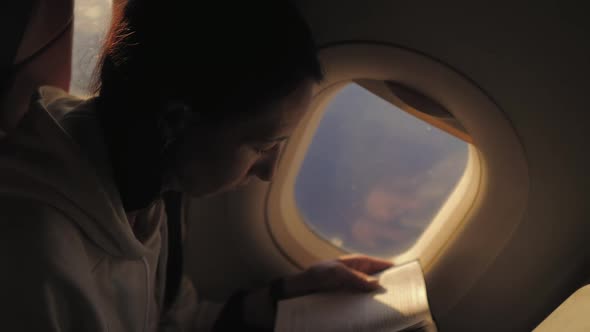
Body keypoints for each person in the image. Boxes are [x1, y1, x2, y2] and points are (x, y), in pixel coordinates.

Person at [0, 0, 393, 330]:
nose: (269, 171)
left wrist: (283, 298)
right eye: (261, 146)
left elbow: (172, 321)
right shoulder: (35, 261)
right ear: (174, 120)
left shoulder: (151, 191)